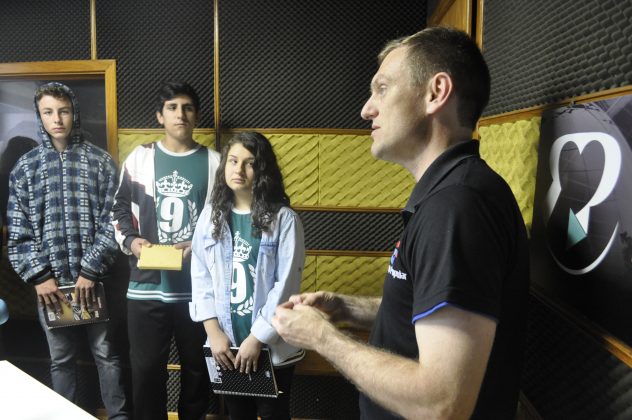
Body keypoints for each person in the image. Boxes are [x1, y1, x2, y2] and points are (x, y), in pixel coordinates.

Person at [272, 26, 530, 420]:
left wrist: (321, 337)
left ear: (436, 93)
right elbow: (426, 309)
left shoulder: (455, 208)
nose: (366, 109)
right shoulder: (452, 194)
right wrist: (346, 308)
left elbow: (441, 403)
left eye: (382, 88)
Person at [6, 82, 128, 418]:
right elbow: (18, 232)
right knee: (60, 359)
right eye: (48, 112)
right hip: (51, 288)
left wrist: (91, 269)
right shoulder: (26, 168)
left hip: (94, 283)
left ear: (74, 112)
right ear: (39, 116)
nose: (57, 119)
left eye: (63, 111)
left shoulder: (100, 162)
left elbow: (113, 223)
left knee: (107, 355)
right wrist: (39, 276)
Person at [111, 81, 220, 420]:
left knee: (198, 372)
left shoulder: (215, 162)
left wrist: (198, 244)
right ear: (160, 116)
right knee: (146, 373)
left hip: (197, 292)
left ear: (196, 115)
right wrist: (131, 242)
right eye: (172, 108)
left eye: (187, 108)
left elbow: (224, 221)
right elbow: (118, 209)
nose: (180, 114)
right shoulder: (140, 158)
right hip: (146, 288)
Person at [190, 131, 305, 420]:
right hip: (227, 345)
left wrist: (257, 338)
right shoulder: (210, 217)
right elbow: (200, 277)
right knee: (237, 414)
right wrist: (213, 333)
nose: (238, 169)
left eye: (249, 163)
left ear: (263, 169)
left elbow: (286, 286)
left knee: (273, 414)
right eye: (233, 161)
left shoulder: (285, 220)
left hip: (271, 347)